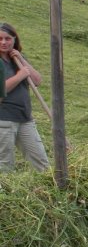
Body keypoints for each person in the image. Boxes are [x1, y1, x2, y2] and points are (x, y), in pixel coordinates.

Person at [0, 23, 50, 172]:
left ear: (14, 40)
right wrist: (19, 76)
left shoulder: (17, 59)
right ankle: (4, 194)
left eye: (7, 38)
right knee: (4, 164)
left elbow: (36, 81)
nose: (3, 42)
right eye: (0, 39)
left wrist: (21, 60)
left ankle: (50, 191)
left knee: (41, 162)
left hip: (25, 118)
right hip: (3, 119)